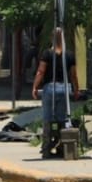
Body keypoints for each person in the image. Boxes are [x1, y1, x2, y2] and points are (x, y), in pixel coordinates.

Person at [31, 28, 79, 158]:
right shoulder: (69, 55)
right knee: (63, 119)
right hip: (64, 88)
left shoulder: (47, 54)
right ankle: (63, 148)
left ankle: (46, 148)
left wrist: (35, 87)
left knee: (48, 119)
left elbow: (40, 71)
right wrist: (76, 89)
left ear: (52, 38)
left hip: (50, 88)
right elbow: (73, 75)